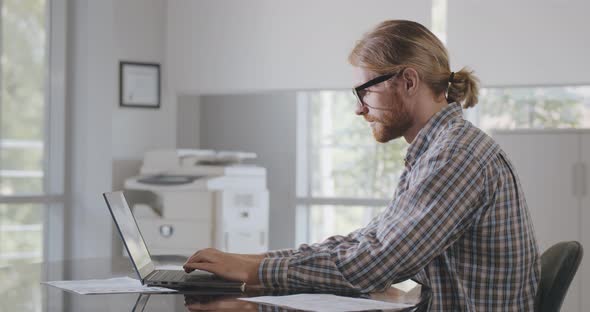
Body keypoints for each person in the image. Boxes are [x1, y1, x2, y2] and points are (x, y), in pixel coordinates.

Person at [183, 20, 540, 311]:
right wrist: (255, 259)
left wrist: (258, 269)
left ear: (409, 81)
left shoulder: (456, 156)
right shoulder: (437, 151)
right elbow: (369, 241)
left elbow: (376, 265)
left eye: (364, 91)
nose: (359, 108)